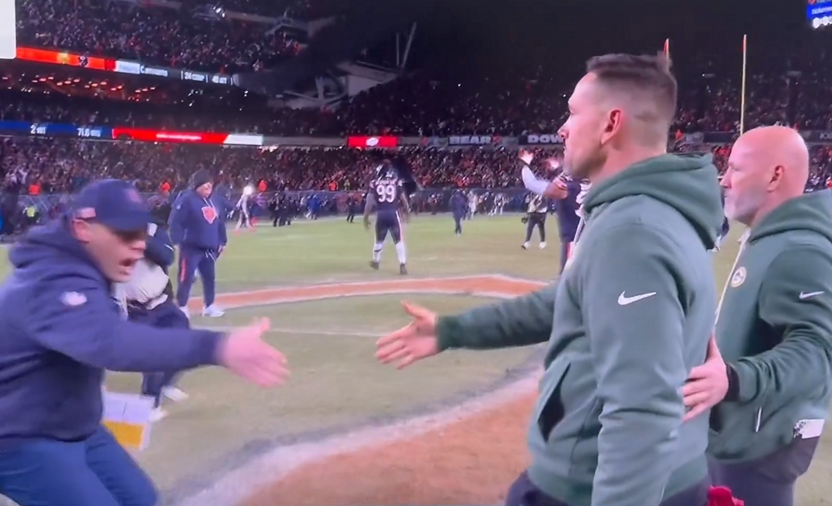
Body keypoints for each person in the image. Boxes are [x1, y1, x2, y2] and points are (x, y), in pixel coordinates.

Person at [377, 53, 725, 506]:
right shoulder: (643, 212)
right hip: (636, 474)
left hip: (587, 487)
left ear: (611, 123)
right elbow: (561, 302)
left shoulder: (633, 231)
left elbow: (643, 411)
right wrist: (453, 330)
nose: (563, 128)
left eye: (574, 112)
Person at [0, 179, 289, 506]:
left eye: (141, 233)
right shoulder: (50, 278)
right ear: (82, 228)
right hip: (19, 436)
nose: (139, 245)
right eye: (125, 234)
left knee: (142, 498)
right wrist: (217, 347)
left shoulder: (86, 264)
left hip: (74, 424)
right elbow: (110, 343)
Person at [681, 126, 832, 506]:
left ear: (774, 176)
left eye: (735, 168)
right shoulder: (772, 238)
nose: (725, 179)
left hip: (758, 447)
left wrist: (733, 379)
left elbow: (817, 352)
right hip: (740, 435)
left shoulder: (798, 249)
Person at [115, 215, 190, 422]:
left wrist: (141, 238)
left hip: (162, 302)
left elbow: (166, 257)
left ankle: (166, 384)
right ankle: (149, 403)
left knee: (184, 343)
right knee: (154, 353)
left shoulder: (154, 231)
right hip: (135, 308)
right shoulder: (112, 236)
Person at [169, 170, 227, 318]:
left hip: (209, 248)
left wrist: (222, 240)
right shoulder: (187, 200)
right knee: (186, 278)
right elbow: (176, 221)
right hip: (191, 248)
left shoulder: (213, 201)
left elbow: (219, 222)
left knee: (209, 278)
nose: (209, 188)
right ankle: (182, 306)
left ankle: (209, 305)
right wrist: (177, 240)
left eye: (210, 185)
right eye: (205, 185)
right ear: (197, 185)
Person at [364, 161, 410, 275]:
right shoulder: (396, 182)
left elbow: (369, 203)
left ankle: (376, 261)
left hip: (381, 214)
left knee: (379, 240)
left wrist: (366, 217)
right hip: (393, 213)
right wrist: (407, 212)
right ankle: (402, 264)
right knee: (398, 240)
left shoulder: (374, 183)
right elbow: (404, 200)